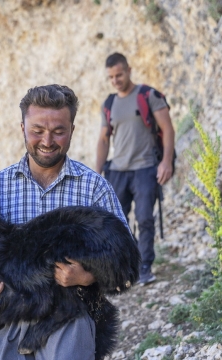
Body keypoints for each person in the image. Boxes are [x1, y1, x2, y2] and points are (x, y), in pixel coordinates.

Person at [0, 84, 132, 359]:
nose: (47, 141)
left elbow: (126, 265)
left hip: (69, 319)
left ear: (72, 130)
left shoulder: (94, 189)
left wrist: (88, 276)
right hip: (7, 320)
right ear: (22, 128)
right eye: (37, 131)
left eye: (58, 131)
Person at [95, 52, 175, 286]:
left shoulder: (148, 95)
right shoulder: (109, 104)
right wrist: (96, 172)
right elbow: (103, 140)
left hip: (145, 168)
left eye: (119, 74)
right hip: (117, 170)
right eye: (111, 77)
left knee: (144, 218)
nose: (115, 80)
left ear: (129, 70)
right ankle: (127, 266)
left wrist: (166, 162)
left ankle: (145, 267)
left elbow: (168, 129)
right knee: (117, 221)